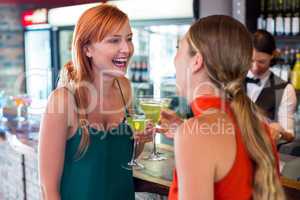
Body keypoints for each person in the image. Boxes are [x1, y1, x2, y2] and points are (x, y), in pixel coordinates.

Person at [38, 4, 153, 200]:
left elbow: (124, 156)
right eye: (114, 40)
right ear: (87, 49)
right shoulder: (63, 100)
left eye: (129, 39)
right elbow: (48, 189)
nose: (126, 49)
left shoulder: (125, 88)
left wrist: (141, 139)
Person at [168, 15, 285, 199]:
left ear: (196, 61)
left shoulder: (196, 133)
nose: (174, 60)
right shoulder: (259, 128)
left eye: (178, 49)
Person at [246, 30, 296, 143]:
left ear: (272, 55)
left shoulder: (285, 90)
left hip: (264, 156)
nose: (255, 67)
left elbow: (290, 135)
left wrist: (279, 132)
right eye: (251, 60)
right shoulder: (234, 81)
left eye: (261, 62)